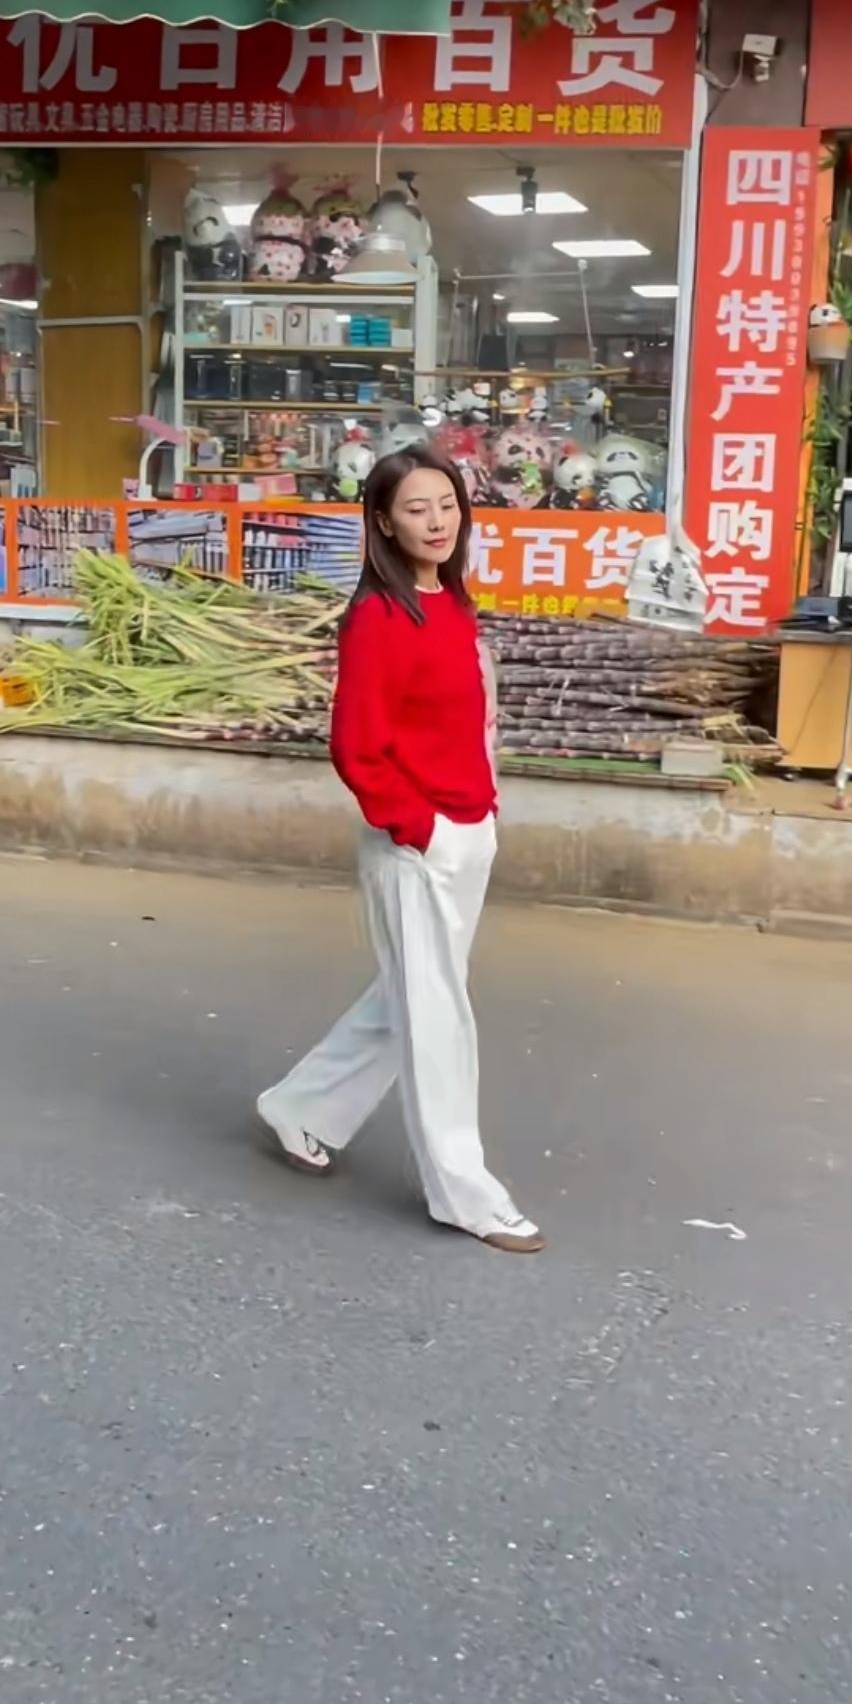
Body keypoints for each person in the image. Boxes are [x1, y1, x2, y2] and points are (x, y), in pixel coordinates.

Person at [257, 445, 545, 1254]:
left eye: (447, 504)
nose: (437, 521)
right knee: (437, 1016)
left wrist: (479, 814)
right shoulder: (380, 618)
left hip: (467, 830)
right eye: (417, 509)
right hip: (415, 843)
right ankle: (466, 1193)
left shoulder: (451, 603)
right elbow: (357, 747)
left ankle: (301, 1106)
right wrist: (418, 827)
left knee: (411, 997)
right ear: (383, 522)